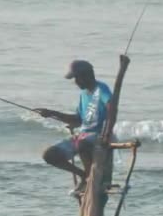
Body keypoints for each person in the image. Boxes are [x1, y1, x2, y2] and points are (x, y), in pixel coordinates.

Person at [35, 60, 112, 195]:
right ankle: (84, 176)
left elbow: (112, 106)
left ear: (88, 75)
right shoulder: (83, 95)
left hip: (98, 135)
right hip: (83, 136)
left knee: (81, 142)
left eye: (77, 78)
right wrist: (51, 113)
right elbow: (78, 119)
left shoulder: (101, 89)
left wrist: (107, 133)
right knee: (49, 154)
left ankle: (91, 177)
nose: (76, 82)